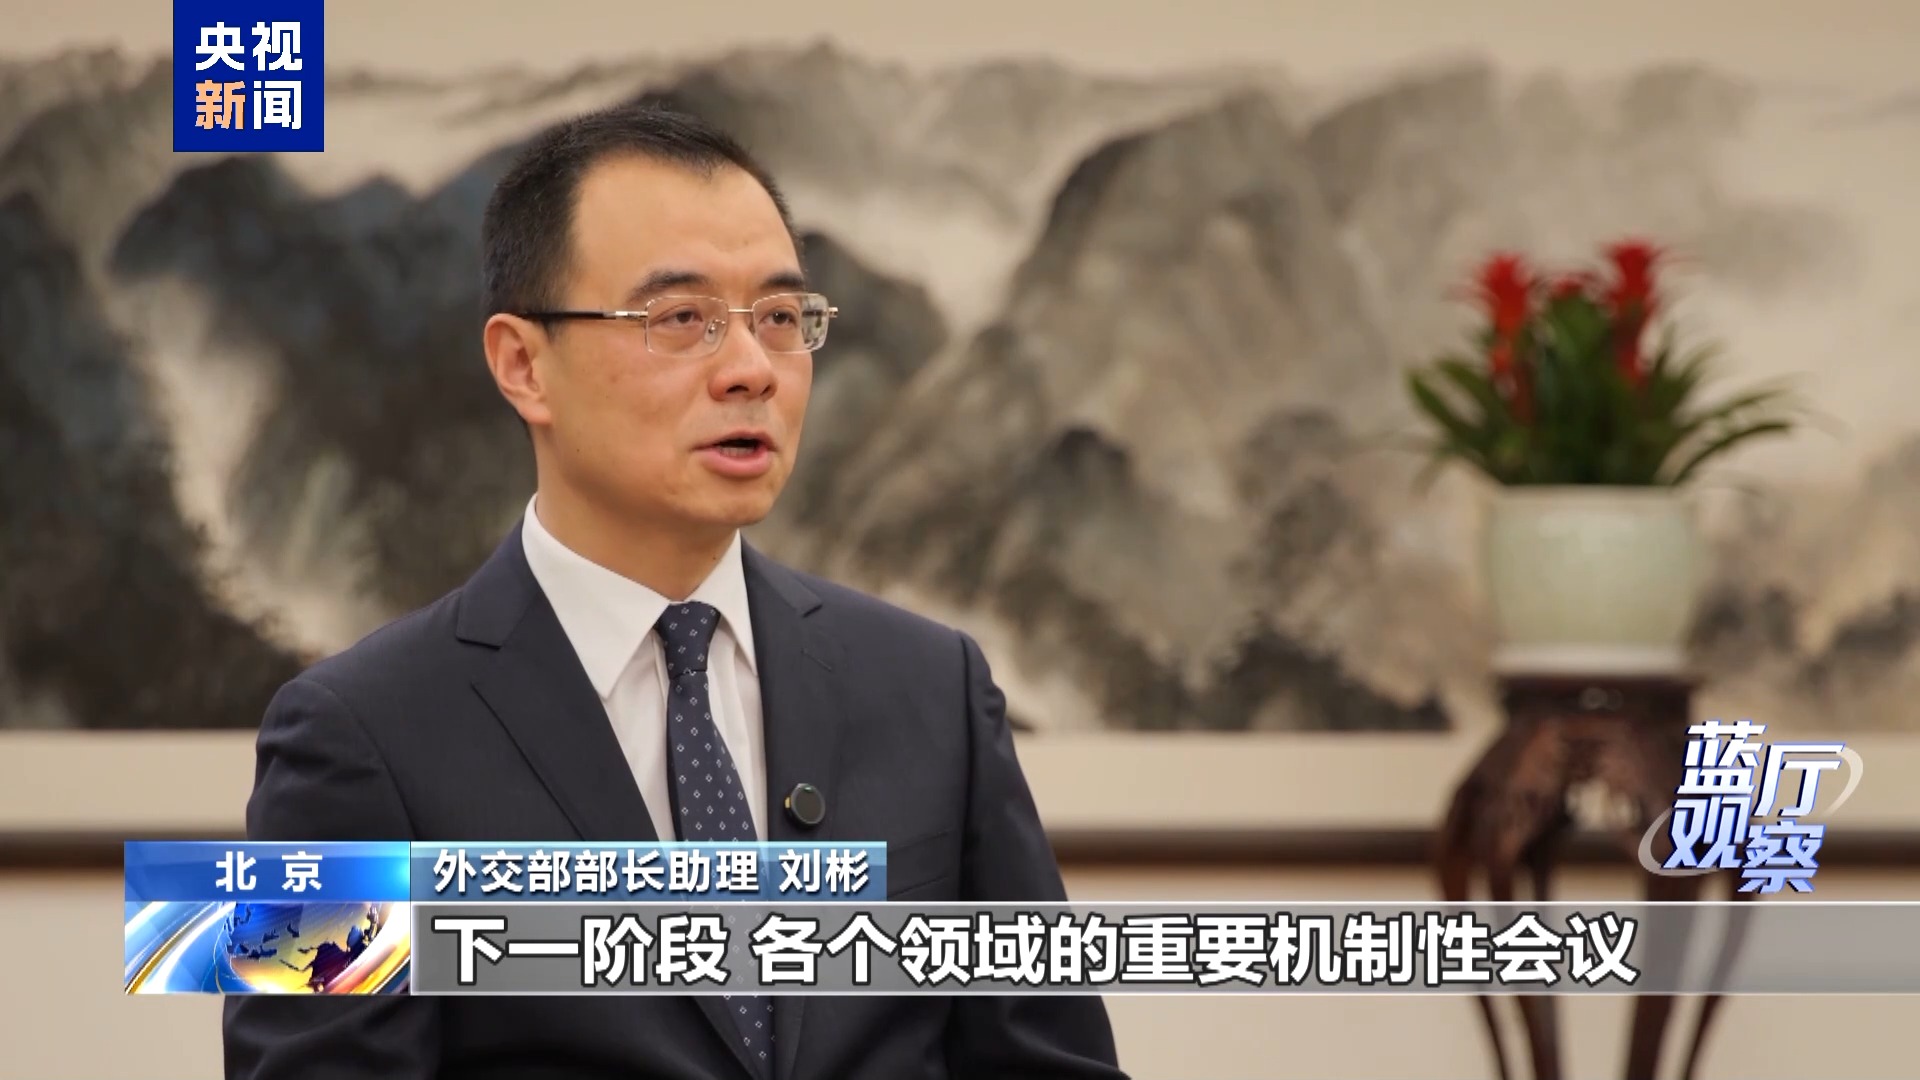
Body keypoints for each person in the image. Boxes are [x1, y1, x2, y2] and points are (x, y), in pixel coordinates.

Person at [222, 103, 1126, 1080]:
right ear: (523, 364)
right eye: (682, 320)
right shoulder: (351, 737)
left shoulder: (933, 692)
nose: (751, 371)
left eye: (779, 319)